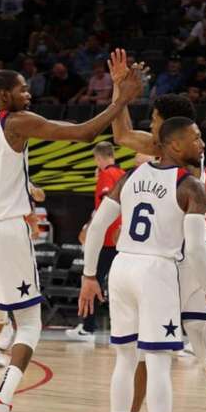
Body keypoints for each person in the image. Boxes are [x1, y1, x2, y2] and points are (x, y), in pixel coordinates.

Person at [0, 67, 142, 412]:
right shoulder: (16, 122)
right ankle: (1, 403)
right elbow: (82, 133)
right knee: (29, 323)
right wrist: (121, 100)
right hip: (5, 231)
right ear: (2, 96)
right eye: (22, 90)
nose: (29, 95)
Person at [83, 48, 206, 412]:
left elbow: (122, 137)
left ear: (166, 130)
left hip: (182, 258)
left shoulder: (176, 155)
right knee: (196, 347)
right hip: (182, 254)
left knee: (148, 353)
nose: (150, 129)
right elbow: (125, 134)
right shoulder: (183, 150)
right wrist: (120, 95)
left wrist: (122, 97)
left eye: (154, 122)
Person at [78, 116, 206, 412]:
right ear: (176, 145)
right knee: (157, 363)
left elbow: (96, 228)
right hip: (156, 271)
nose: (201, 144)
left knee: (124, 360)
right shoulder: (191, 186)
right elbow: (197, 250)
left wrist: (90, 274)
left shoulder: (130, 177)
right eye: (195, 138)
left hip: (121, 268)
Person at [66, 141, 125, 341]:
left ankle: (88, 328)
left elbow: (104, 210)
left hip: (106, 239)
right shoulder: (124, 174)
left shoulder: (107, 175)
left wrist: (88, 228)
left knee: (92, 281)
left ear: (97, 158)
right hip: (122, 240)